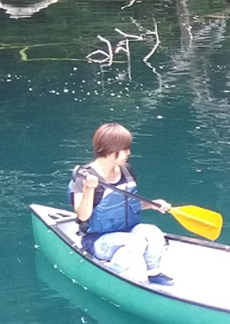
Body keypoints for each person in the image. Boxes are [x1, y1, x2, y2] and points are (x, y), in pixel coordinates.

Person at [68, 122, 173, 285]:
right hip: (97, 239)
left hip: (127, 231)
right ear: (110, 151)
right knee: (134, 243)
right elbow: (82, 215)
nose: (128, 153)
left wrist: (153, 204)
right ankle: (115, 273)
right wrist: (89, 189)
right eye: (125, 149)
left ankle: (153, 272)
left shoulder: (127, 170)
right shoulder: (84, 176)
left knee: (153, 233)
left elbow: (131, 204)